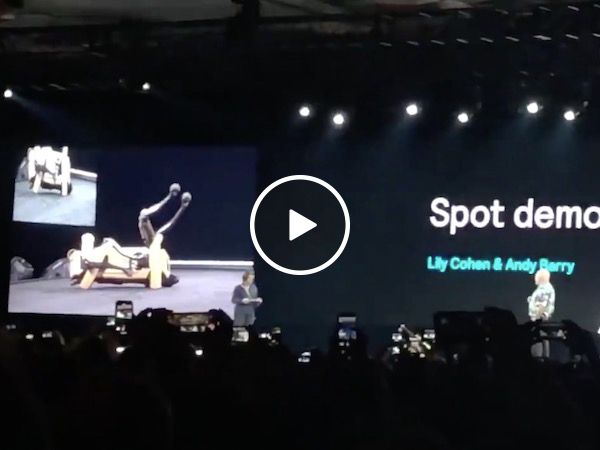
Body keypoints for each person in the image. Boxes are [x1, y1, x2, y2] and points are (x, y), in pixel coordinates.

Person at [527, 268, 555, 358]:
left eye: (536, 277)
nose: (535, 278)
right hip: (540, 322)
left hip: (539, 321)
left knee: (540, 340)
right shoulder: (544, 289)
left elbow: (542, 306)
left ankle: (540, 359)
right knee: (543, 340)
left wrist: (536, 321)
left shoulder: (544, 289)